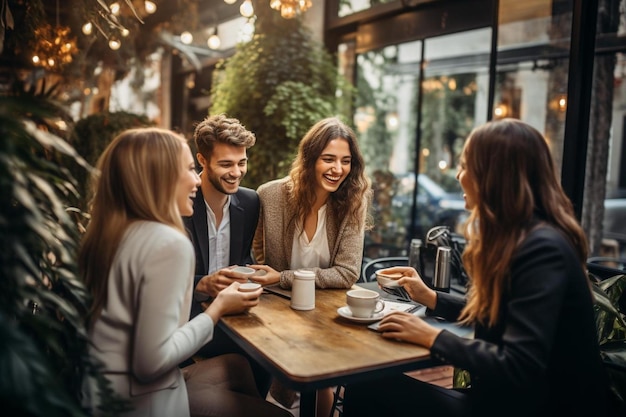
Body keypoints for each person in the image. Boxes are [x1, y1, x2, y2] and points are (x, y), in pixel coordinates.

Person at [343, 118, 612, 417]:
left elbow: (520, 364)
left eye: (466, 165)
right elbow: (500, 318)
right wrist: (430, 297)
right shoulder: (525, 237)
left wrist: (433, 337)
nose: (458, 175)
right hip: (513, 402)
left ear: (495, 176)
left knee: (367, 388)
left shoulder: (542, 249)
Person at [79, 127, 291, 417]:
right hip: (146, 401)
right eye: (190, 169)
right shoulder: (168, 242)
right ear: (157, 178)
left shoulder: (114, 233)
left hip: (103, 391)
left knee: (239, 366)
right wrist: (217, 308)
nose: (196, 180)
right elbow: (152, 362)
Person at [250, 117, 372, 417]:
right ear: (309, 159)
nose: (337, 169)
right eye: (328, 159)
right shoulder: (271, 195)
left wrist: (284, 277)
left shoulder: (352, 201)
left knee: (322, 375)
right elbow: (259, 253)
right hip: (280, 308)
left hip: (329, 311)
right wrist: (278, 281)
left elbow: (346, 273)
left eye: (345, 161)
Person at [182, 114, 271, 396]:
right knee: (261, 350)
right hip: (187, 317)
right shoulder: (179, 201)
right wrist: (202, 284)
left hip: (234, 313)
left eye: (241, 162)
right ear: (202, 160)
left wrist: (253, 273)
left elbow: (243, 259)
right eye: (226, 164)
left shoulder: (250, 201)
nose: (236, 172)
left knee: (272, 344)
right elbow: (158, 279)